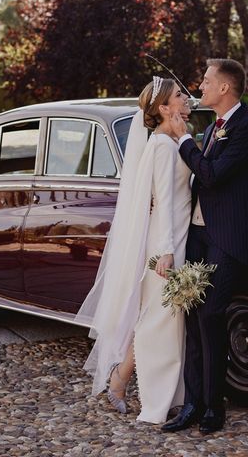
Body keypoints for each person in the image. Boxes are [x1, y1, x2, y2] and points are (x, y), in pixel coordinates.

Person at [75, 77, 192, 424]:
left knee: (162, 320)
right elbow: (165, 202)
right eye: (179, 96)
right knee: (160, 322)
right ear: (164, 109)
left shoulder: (173, 141)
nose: (186, 98)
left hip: (179, 235)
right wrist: (167, 251)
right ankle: (151, 397)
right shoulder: (161, 147)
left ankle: (125, 381)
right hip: (168, 241)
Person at [162, 58, 248, 434]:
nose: (201, 85)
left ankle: (214, 407)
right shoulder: (213, 129)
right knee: (192, 317)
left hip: (228, 240)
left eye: (206, 81)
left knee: (211, 315)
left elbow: (211, 174)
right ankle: (191, 404)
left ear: (225, 88)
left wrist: (183, 140)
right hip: (199, 236)